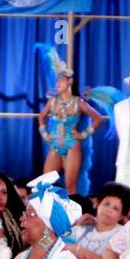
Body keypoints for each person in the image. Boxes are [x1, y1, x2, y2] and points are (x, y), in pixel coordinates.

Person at [36, 65, 104, 195]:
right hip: (55, 146)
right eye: (56, 81)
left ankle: (73, 213)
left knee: (70, 186)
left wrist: (83, 134)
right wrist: (44, 133)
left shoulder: (79, 102)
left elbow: (98, 118)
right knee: (45, 184)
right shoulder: (53, 101)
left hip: (72, 145)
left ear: (70, 82)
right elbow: (41, 116)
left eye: (60, 80)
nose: (57, 84)